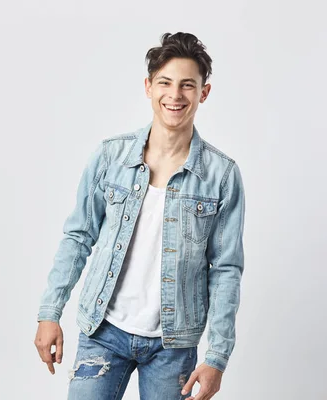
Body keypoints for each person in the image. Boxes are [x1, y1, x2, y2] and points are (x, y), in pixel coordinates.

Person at [34, 32, 246, 400]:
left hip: (173, 343)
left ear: (203, 92)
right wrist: (50, 311)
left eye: (187, 85)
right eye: (165, 83)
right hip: (103, 330)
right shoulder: (110, 157)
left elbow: (226, 269)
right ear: (148, 87)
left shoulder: (222, 176)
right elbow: (79, 235)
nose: (175, 95)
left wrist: (217, 357)